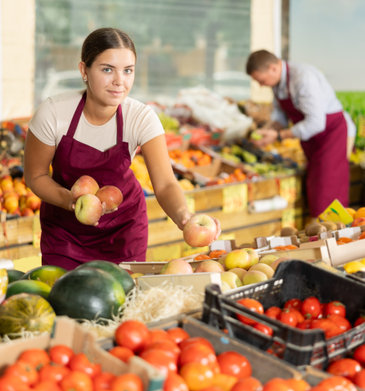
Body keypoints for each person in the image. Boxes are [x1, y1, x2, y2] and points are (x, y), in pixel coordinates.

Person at [24, 27, 220, 270]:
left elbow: (166, 183)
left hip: (123, 231)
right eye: (107, 69)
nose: (120, 81)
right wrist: (70, 202)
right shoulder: (54, 113)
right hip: (65, 233)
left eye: (128, 71)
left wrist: (185, 217)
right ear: (84, 70)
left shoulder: (140, 117)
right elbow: (35, 176)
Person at [246, 49, 353, 220]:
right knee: (315, 187)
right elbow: (280, 117)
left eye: (261, 80)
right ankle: (322, 235)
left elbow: (316, 123)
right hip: (311, 141)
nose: (261, 85)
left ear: (273, 68)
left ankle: (337, 240)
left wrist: (279, 136)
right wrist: (268, 130)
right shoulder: (277, 84)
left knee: (326, 194)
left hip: (329, 136)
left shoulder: (303, 78)